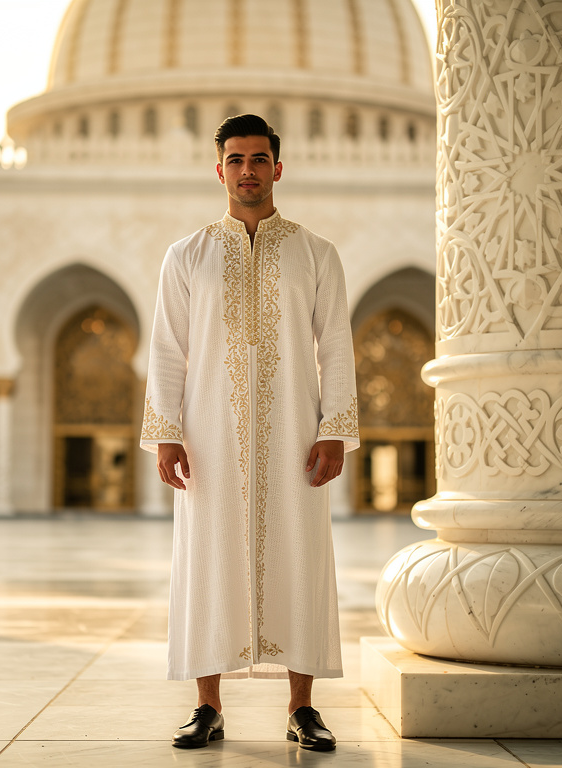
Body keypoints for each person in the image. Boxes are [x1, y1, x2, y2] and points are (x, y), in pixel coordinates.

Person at [140, 114, 359, 751]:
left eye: (258, 160)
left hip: (294, 434)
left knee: (302, 556)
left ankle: (303, 707)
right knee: (209, 560)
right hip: (212, 436)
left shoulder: (316, 254)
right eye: (235, 161)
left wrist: (336, 426)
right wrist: (168, 431)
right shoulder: (187, 256)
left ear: (277, 169)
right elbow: (167, 351)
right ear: (220, 171)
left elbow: (336, 347)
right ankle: (207, 706)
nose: (247, 171)